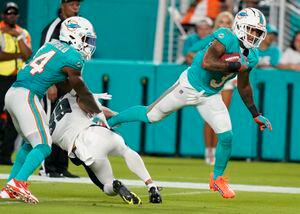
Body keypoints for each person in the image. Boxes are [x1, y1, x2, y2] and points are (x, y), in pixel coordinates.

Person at [107, 8, 272, 199]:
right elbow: (207, 63)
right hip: (188, 86)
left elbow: (244, 86)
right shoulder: (226, 37)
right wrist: (232, 65)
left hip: (211, 95)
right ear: (240, 26)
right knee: (150, 116)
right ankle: (111, 121)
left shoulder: (252, 56)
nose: (254, 35)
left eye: (258, 32)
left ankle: (217, 179)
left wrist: (255, 114)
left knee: (227, 136)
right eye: (251, 30)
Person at [1, 16, 108, 204]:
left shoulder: (52, 45)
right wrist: (97, 112)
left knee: (29, 143)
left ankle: (10, 186)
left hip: (14, 93)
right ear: (73, 36)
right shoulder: (73, 58)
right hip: (27, 95)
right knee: (43, 145)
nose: (88, 45)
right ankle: (19, 183)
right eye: (85, 39)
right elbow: (80, 89)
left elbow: (65, 85)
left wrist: (86, 97)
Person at [46, 91, 161, 204]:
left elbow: (75, 159)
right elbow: (91, 105)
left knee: (107, 185)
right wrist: (116, 115)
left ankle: (115, 185)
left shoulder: (51, 127)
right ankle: (151, 185)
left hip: (85, 147)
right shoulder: (71, 93)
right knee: (126, 151)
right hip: (100, 132)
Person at [38, 0, 83, 178]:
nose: (76, 6)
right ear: (62, 5)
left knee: (65, 123)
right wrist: (50, 84)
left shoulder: (78, 25)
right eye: (72, 3)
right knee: (49, 123)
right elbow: (43, 55)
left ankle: (60, 166)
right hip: (52, 82)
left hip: (68, 83)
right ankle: (46, 167)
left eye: (78, 3)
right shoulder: (53, 28)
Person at [185, 11, 234, 165]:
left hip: (226, 79)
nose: (224, 25)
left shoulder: (235, 41)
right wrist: (204, 65)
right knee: (210, 117)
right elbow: (190, 53)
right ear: (216, 24)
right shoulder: (212, 39)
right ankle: (209, 151)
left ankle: (218, 152)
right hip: (209, 78)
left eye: (227, 22)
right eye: (221, 22)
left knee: (221, 115)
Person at [0, 2, 32, 165]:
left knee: (15, 118)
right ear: (3, 15)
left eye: (14, 13)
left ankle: (5, 155)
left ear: (18, 16)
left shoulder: (23, 33)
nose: (11, 16)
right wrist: (17, 55)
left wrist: (17, 36)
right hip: (1, 78)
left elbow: (28, 56)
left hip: (17, 80)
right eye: (8, 13)